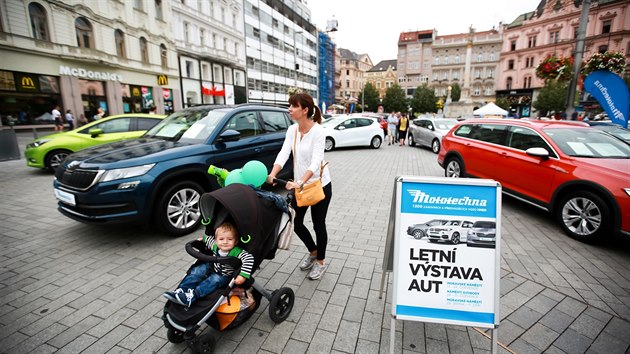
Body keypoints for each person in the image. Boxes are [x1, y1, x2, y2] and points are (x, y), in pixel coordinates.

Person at [266, 92, 332, 280]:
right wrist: (273, 173)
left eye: (293, 106)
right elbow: (284, 153)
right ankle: (313, 251)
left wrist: (300, 182)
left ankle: (320, 261)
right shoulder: (292, 130)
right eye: (289, 105)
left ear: (304, 110)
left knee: (319, 224)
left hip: (319, 185)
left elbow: (316, 161)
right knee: (296, 222)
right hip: (299, 186)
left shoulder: (318, 131)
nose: (289, 109)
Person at [163, 222, 254, 307]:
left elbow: (249, 258)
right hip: (212, 268)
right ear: (216, 240)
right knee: (198, 270)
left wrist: (243, 275)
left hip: (225, 276)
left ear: (236, 241)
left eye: (230, 239)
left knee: (213, 280)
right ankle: (182, 290)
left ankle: (192, 297)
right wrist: (202, 239)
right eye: (221, 239)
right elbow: (207, 238)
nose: (225, 242)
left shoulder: (237, 251)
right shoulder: (214, 244)